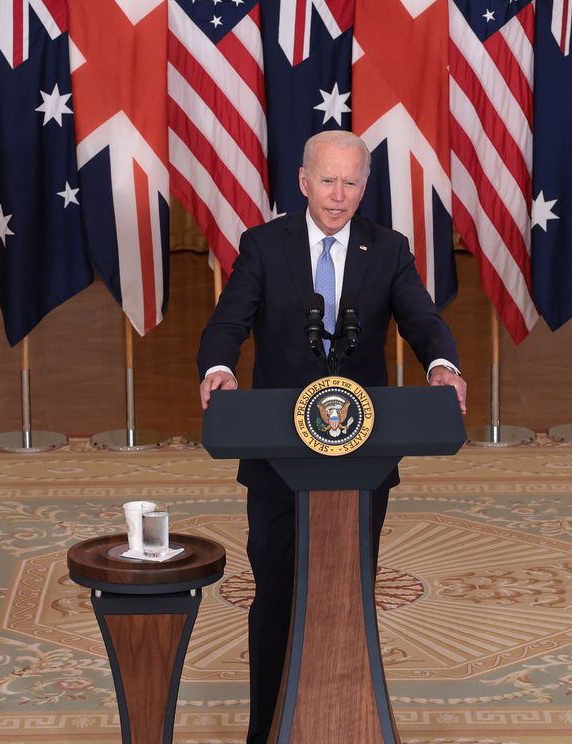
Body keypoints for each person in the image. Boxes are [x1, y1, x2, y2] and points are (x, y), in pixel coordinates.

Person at [197, 130, 465, 744]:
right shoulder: (265, 246)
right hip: (276, 454)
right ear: (302, 181)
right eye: (327, 181)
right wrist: (218, 370)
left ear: (364, 187)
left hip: (361, 456)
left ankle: (347, 721)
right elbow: (228, 322)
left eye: (350, 183)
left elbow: (421, 318)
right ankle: (267, 729)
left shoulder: (388, 249)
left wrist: (443, 366)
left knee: (347, 590)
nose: (338, 195)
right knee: (276, 590)